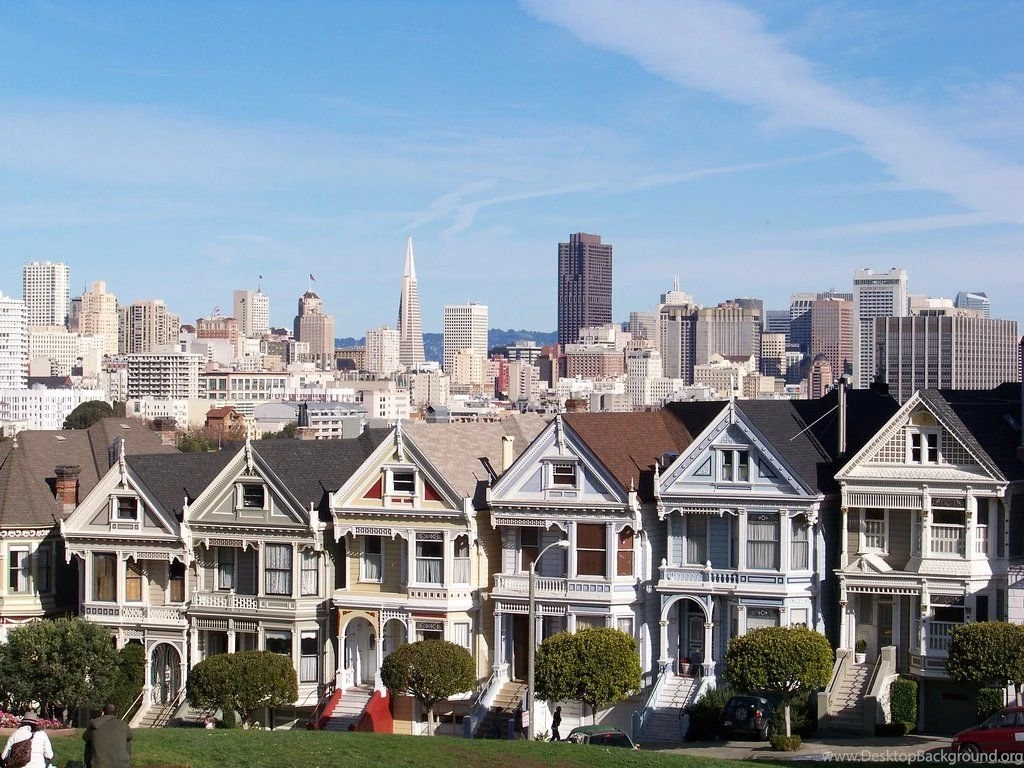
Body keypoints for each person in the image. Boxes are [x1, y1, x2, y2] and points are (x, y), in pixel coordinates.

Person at [83, 703, 132, 768]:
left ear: (102, 712)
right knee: (127, 741)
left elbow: (85, 737)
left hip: (99, 765)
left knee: (89, 742)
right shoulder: (123, 724)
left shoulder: (94, 724)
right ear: (116, 714)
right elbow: (130, 736)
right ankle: (123, 761)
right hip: (121, 765)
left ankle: (88, 765)